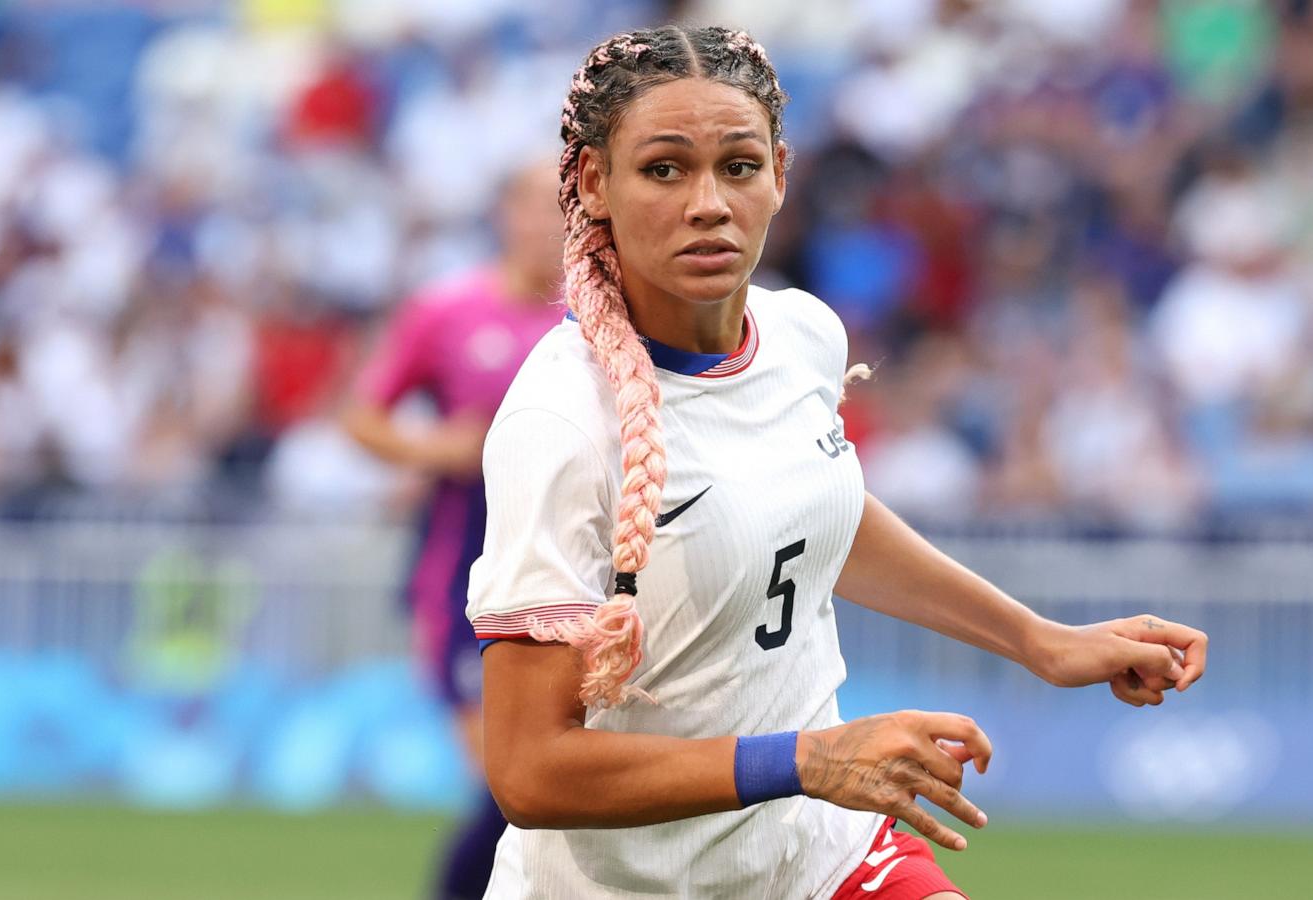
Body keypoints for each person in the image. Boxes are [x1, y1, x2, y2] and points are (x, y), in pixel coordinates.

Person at [468, 26, 1208, 899]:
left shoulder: (802, 334)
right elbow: (527, 771)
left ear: (780, 172)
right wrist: (808, 758)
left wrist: (1040, 641)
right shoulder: (562, 421)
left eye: (738, 166)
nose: (708, 203)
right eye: (664, 169)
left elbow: (820, 513)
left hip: (825, 853)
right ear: (594, 183)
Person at [342, 161, 565, 900]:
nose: (547, 223)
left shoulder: (605, 318)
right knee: (515, 789)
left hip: (574, 581)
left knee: (550, 799)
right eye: (533, 206)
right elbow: (364, 415)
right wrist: (437, 449)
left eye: (561, 207)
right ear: (505, 215)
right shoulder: (450, 312)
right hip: (465, 581)